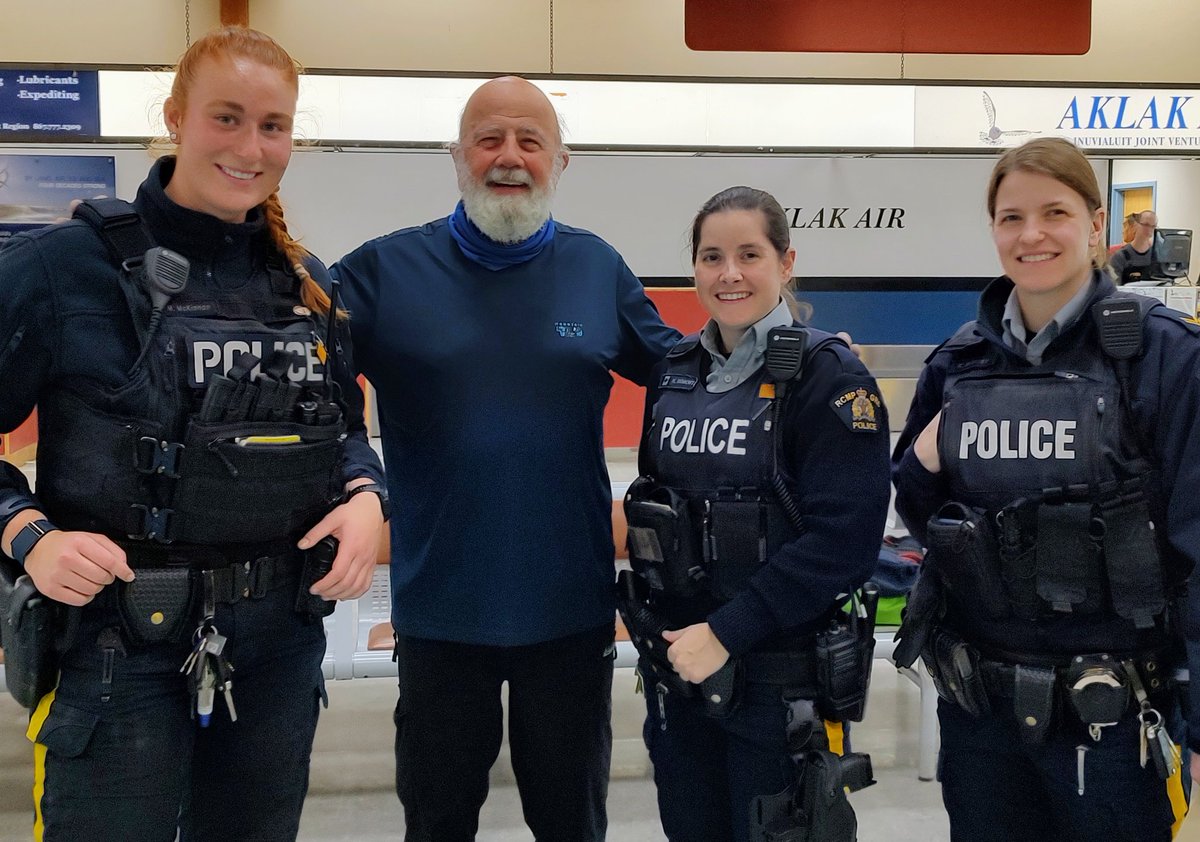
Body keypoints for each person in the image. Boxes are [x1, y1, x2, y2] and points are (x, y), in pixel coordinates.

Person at [0, 27, 386, 841]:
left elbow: (345, 429)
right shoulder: (61, 271)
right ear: (176, 117)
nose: (252, 146)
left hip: (277, 649)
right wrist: (28, 535)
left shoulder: (309, 283)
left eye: (273, 125)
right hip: (116, 648)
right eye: (227, 118)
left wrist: (366, 497)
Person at [331, 76, 678, 841]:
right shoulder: (382, 274)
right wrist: (356, 477)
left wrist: (797, 362)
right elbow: (303, 380)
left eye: (530, 142)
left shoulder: (598, 269)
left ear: (561, 160)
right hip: (439, 613)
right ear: (457, 156)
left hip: (570, 610)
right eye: (489, 140)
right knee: (438, 819)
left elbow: (689, 376)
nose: (509, 158)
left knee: (570, 822)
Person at [892, 137, 1198, 841]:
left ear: (1096, 224)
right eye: (1010, 217)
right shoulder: (959, 363)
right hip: (981, 718)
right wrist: (926, 461)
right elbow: (920, 518)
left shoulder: (1162, 357)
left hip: (1113, 724)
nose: (1031, 235)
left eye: (1054, 212)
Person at [621, 186, 891, 842]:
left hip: (779, 685)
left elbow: (845, 540)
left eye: (749, 254)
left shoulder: (830, 377)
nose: (730, 273)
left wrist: (728, 630)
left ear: (786, 262)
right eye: (712, 257)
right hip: (680, 679)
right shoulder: (674, 374)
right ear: (694, 269)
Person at [1109, 209, 1162, 283]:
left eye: (1153, 226)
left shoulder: (1158, 257)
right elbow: (1114, 287)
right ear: (1135, 225)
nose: (1149, 229)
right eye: (1146, 225)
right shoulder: (1120, 257)